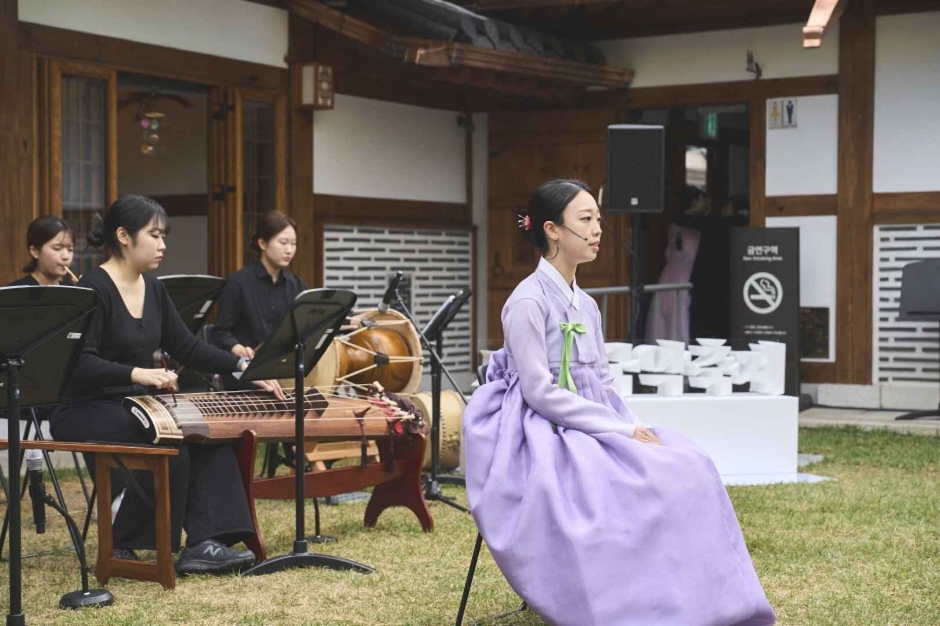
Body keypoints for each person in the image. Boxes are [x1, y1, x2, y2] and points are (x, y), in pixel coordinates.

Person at [462, 179, 776, 626]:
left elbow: (604, 383)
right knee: (618, 488)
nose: (597, 230)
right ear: (552, 230)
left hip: (592, 420)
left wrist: (632, 426)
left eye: (598, 220)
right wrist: (620, 431)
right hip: (540, 429)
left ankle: (696, 602)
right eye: (585, 220)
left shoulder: (586, 304)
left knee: (690, 468)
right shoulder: (527, 301)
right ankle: (627, 606)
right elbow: (539, 392)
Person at [50, 195, 283, 575]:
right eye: (154, 235)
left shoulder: (153, 288)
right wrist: (138, 374)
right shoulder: (95, 287)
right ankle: (129, 539)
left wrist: (244, 366)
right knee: (172, 435)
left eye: (164, 236)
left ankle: (210, 541)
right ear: (124, 235)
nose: (163, 244)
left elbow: (187, 347)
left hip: (135, 404)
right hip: (84, 408)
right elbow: (79, 363)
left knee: (208, 431)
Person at [212, 211, 305, 392]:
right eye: (283, 243)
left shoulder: (296, 285)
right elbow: (220, 331)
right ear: (263, 243)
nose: (289, 250)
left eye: (293, 244)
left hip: (282, 371)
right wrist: (237, 347)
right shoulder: (239, 282)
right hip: (246, 371)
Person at [8, 215, 76, 286]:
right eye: (57, 248)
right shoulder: (15, 292)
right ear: (35, 251)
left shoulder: (74, 292)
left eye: (70, 249)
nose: (66, 256)